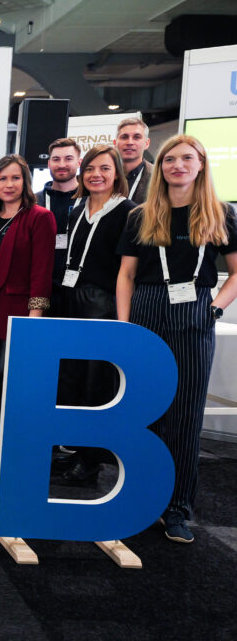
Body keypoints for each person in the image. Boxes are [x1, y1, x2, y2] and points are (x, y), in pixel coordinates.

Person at [117, 134, 237, 543]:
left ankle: (177, 507)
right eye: (169, 159)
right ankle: (138, 496)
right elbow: (126, 275)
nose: (177, 165)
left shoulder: (221, 213)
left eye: (187, 158)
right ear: (161, 167)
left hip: (195, 311)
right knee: (142, 411)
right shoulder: (141, 215)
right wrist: (124, 326)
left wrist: (215, 308)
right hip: (147, 307)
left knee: (186, 415)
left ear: (201, 164)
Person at [54, 144, 136, 483]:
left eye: (104, 168)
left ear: (117, 173)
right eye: (89, 169)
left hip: (103, 305)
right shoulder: (77, 209)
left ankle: (91, 461)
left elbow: (127, 272)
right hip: (72, 300)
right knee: (71, 378)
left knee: (96, 382)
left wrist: (122, 321)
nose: (96, 175)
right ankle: (76, 450)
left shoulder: (129, 212)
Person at [0, 154, 55, 469]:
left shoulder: (39, 217)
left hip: (17, 314)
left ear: (26, 182)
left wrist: (34, 318)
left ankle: (13, 448)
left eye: (15, 178)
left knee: (12, 381)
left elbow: (41, 271)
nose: (8, 184)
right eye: (2, 178)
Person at [35, 138, 83, 316]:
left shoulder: (90, 201)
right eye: (56, 159)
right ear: (49, 163)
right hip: (41, 288)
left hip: (78, 290)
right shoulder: (34, 201)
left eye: (68, 158)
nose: (62, 164)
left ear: (79, 162)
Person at [113, 117, 154, 203]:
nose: (130, 142)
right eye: (124, 137)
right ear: (115, 143)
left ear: (146, 143)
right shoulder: (105, 176)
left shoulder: (159, 176)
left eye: (136, 137)